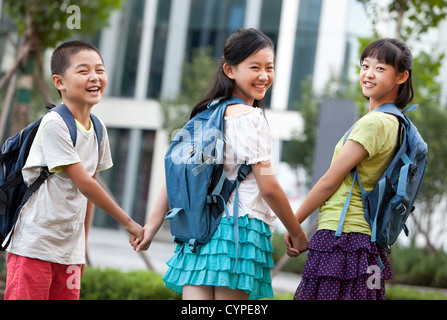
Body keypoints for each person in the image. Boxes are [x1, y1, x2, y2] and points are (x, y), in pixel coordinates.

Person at [133, 28, 308, 300]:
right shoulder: (251, 118)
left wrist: (151, 227)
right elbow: (269, 187)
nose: (264, 76)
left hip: (199, 232)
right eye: (254, 67)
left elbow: (180, 176)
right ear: (230, 70)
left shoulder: (206, 116)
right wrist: (297, 232)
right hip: (239, 230)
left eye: (269, 67)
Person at [4, 40, 144, 300]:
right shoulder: (54, 124)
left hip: (68, 253)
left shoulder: (98, 128)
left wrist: (80, 249)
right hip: (34, 247)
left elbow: (89, 193)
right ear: (59, 82)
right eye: (83, 71)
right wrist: (129, 223)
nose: (94, 77)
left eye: (100, 70)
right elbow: (85, 184)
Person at [285, 38, 414, 300]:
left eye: (380, 68)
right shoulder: (398, 124)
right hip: (366, 243)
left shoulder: (375, 123)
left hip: (342, 240)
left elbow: (330, 181)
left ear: (401, 76)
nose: (368, 73)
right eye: (365, 65)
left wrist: (294, 223)